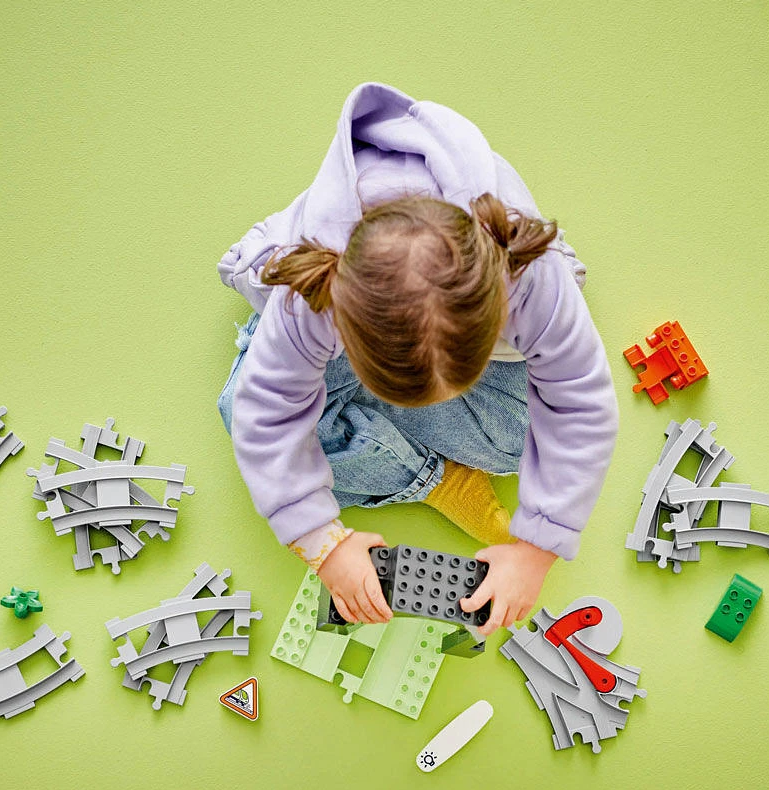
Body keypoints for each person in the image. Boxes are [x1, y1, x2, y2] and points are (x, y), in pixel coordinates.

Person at [216, 82, 617, 634]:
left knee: (516, 447)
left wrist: (537, 548)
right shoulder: (313, 293)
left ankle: (374, 435)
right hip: (334, 319)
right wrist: (322, 544)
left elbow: (581, 402)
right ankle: (432, 479)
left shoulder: (532, 275)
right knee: (242, 414)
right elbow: (264, 414)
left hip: (468, 328)